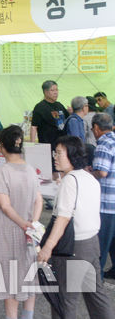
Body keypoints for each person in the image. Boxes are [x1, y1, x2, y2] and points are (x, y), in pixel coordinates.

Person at [38, 136, 115, 319]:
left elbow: (63, 219)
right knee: (96, 295)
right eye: (54, 153)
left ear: (71, 155)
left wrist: (47, 247)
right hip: (91, 244)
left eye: (59, 153)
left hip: (72, 249)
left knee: (64, 300)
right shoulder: (89, 178)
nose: (55, 157)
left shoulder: (70, 181)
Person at [0, 126, 42, 319]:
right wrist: (33, 223)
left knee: (10, 282)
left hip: (8, 231)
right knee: (28, 277)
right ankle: (28, 316)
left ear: (2, 146)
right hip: (29, 232)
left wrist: (23, 224)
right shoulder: (30, 169)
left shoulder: (2, 172)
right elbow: (38, 200)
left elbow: (5, 206)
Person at [91, 112, 115, 279]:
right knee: (113, 241)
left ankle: (95, 276)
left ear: (96, 128)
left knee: (101, 243)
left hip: (106, 202)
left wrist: (88, 171)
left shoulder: (103, 144)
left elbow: (102, 171)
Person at [31, 80, 68, 164]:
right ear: (45, 92)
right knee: (51, 167)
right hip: (48, 145)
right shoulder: (40, 107)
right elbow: (34, 126)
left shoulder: (59, 105)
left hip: (62, 143)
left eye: (57, 90)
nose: (56, 93)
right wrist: (32, 145)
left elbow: (67, 119)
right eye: (52, 90)